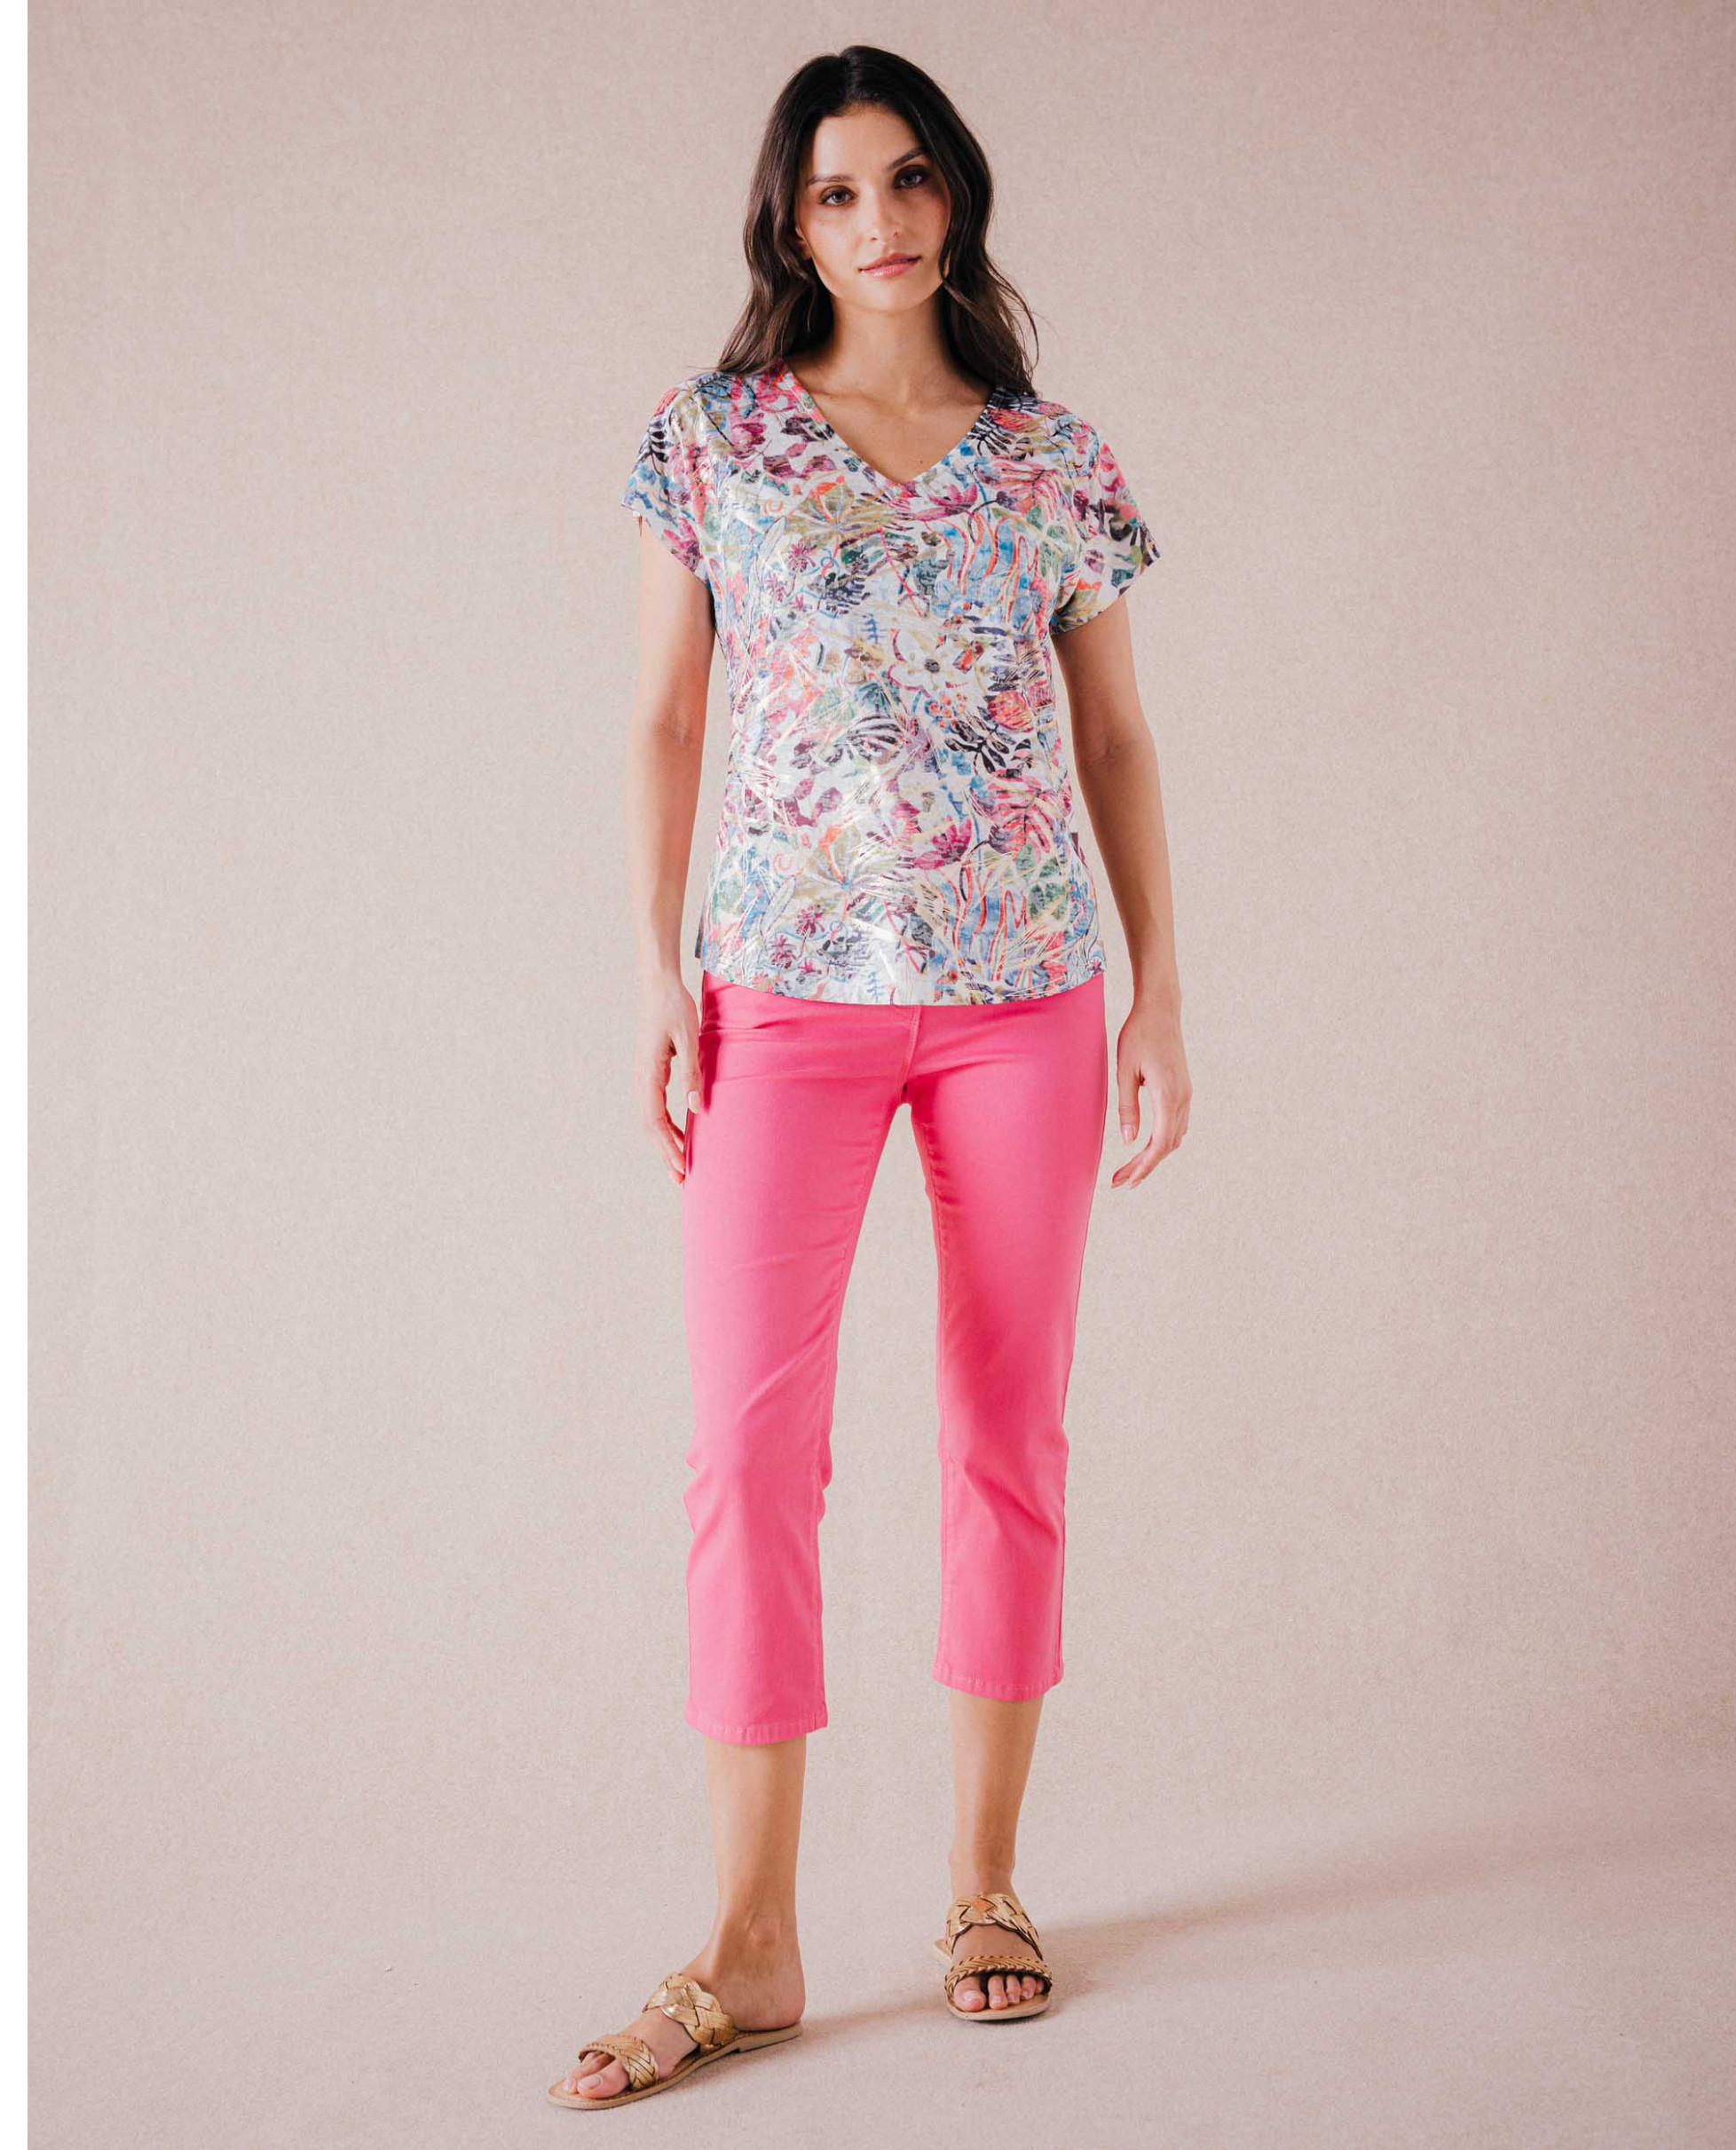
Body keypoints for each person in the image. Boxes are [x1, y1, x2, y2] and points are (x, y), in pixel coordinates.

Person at [549, 42, 1191, 2113]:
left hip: (1024, 994)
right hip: (783, 994)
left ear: (956, 195)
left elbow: (1113, 736)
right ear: (791, 222)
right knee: (751, 1455)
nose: (882, 219)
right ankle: (750, 1937)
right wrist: (655, 971)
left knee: (1007, 1432)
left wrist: (1159, 990)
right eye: (837, 191)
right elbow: (666, 719)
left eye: (910, 179)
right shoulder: (712, 440)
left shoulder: (1051, 457)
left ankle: (985, 1883)